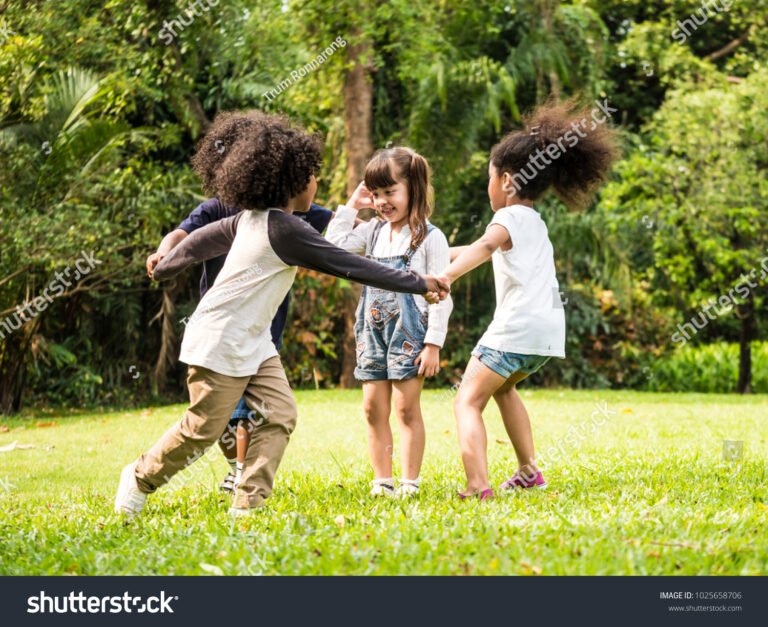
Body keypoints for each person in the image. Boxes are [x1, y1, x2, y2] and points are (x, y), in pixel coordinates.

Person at [115, 111, 448, 517]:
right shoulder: (284, 230)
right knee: (202, 430)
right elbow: (349, 265)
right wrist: (419, 283)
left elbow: (200, 243)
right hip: (220, 338)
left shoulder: (257, 219)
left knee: (279, 414)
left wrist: (166, 262)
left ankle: (248, 504)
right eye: (311, 177)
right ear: (292, 182)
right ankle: (139, 477)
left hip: (254, 342)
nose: (316, 184)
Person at [438, 100, 618, 499]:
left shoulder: (505, 219)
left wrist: (445, 275)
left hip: (516, 329)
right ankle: (528, 471)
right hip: (546, 334)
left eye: (489, 178)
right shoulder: (532, 222)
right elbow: (477, 246)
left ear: (505, 180)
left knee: (467, 401)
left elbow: (484, 247)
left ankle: (477, 485)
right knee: (504, 389)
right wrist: (436, 255)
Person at [146, 179, 332, 493]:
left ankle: (245, 481)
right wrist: (164, 252)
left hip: (265, 327)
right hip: (221, 330)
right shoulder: (219, 209)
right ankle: (234, 468)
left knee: (267, 410)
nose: (313, 183)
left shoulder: (298, 212)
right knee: (221, 416)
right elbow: (182, 235)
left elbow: (342, 228)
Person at [326, 147, 453, 497]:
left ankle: (409, 482)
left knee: (405, 408)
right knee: (372, 409)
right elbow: (332, 247)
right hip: (372, 331)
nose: (382, 201)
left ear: (413, 187)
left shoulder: (430, 237)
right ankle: (382, 480)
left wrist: (433, 343)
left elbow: (443, 292)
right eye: (376, 193)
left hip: (410, 335)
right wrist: (352, 205)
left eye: (389, 192)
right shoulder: (373, 232)